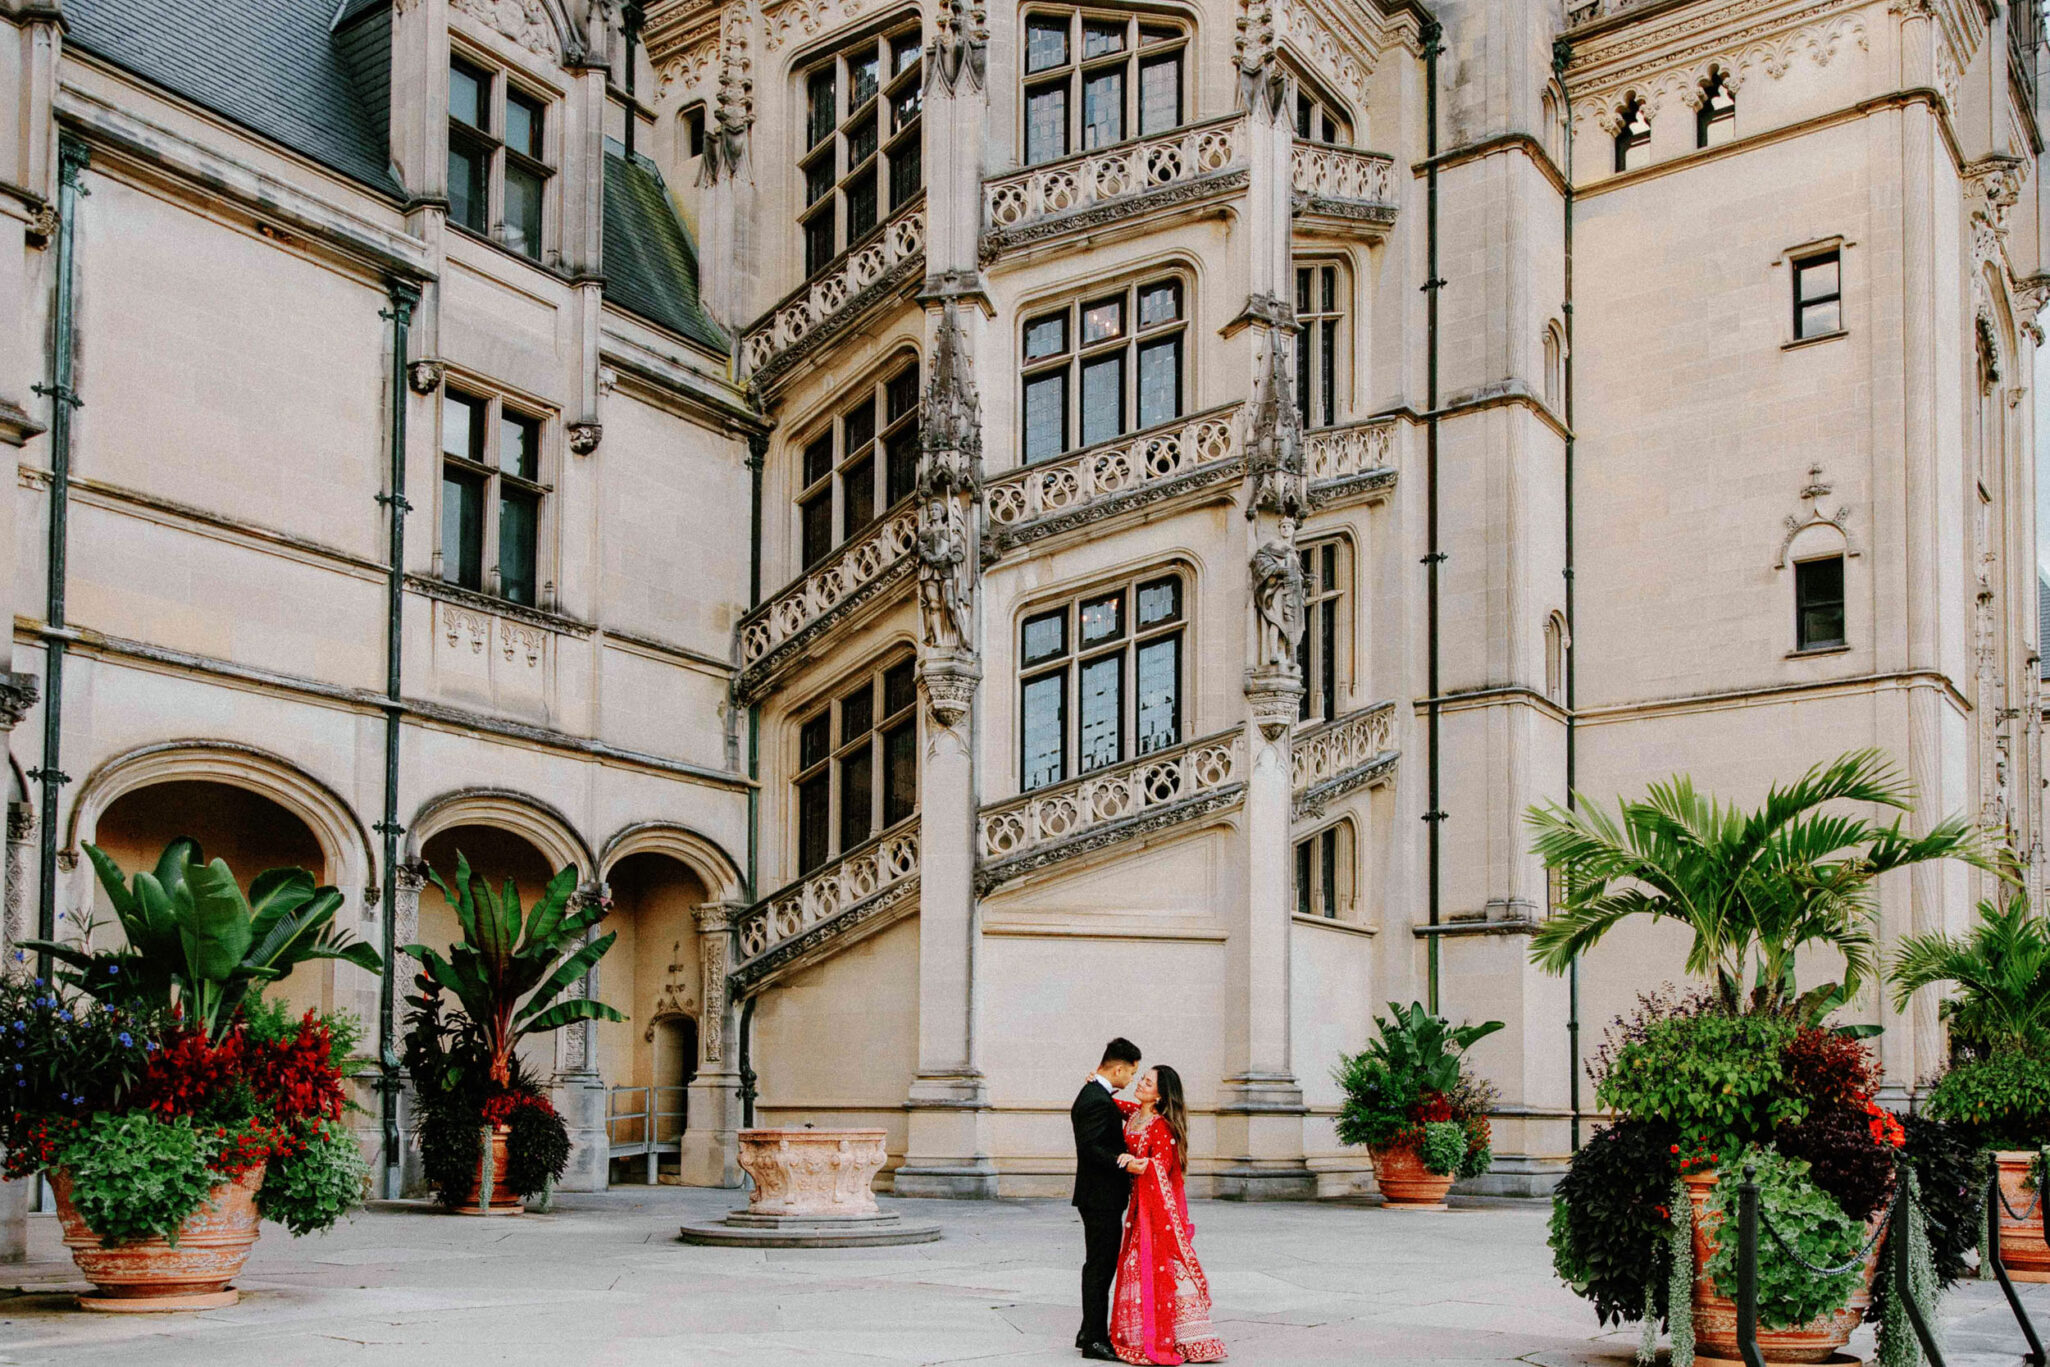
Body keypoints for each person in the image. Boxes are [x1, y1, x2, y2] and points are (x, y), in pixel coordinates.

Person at [1108, 1065, 1226, 1365]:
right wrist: (1098, 1086)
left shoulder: (1160, 1126)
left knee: (1159, 1266)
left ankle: (1188, 1338)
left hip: (1154, 1211)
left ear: (1160, 1095)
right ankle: (1142, 1333)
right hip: (1138, 1208)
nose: (1141, 1083)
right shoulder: (1136, 1116)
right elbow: (1115, 1104)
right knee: (1141, 1266)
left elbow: (1162, 1166)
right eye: (1143, 1078)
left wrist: (1135, 1162)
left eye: (1148, 1082)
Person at [1072, 1038, 1144, 1361]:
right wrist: (1124, 1159)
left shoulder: (1098, 1095)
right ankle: (1095, 1340)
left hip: (1098, 1197)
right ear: (1117, 1068)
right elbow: (1091, 1148)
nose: (1131, 1081)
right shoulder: (1096, 1099)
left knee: (1098, 1265)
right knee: (1100, 1268)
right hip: (1100, 1197)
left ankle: (1089, 1329)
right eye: (1131, 1074)